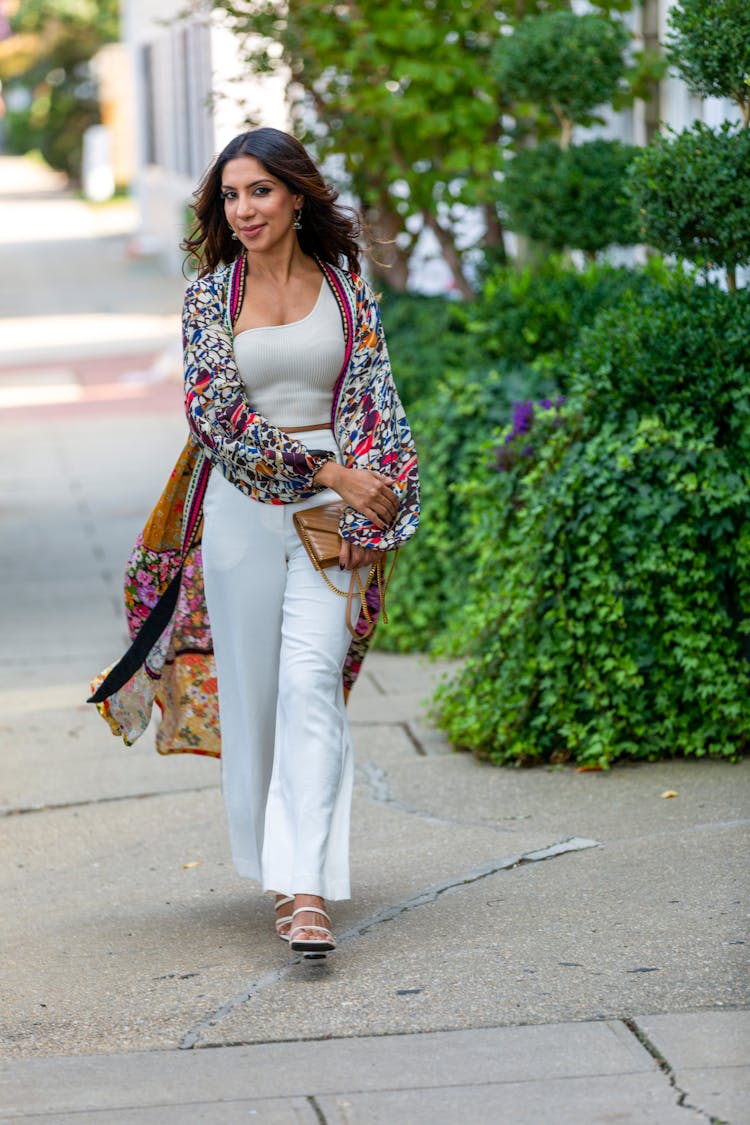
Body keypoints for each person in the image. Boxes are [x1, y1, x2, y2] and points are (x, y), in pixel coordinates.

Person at [177, 128, 420, 955]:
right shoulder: (210, 297)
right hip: (242, 515)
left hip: (331, 523)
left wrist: (365, 505)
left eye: (260, 192)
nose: (243, 210)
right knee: (256, 700)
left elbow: (381, 411)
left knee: (311, 685)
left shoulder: (348, 290)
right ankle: (276, 870)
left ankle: (307, 887)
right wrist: (328, 469)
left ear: (297, 195)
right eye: (232, 196)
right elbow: (216, 416)